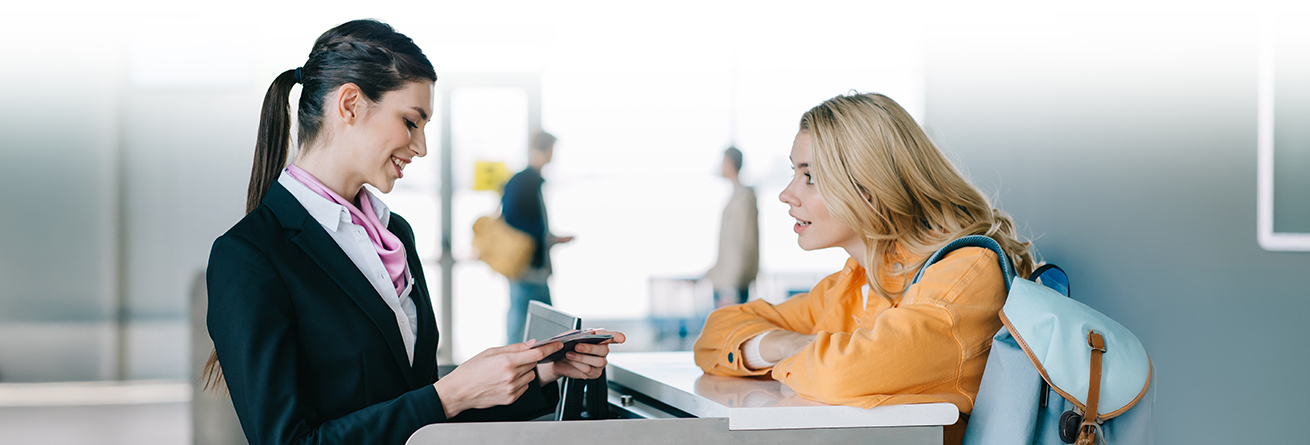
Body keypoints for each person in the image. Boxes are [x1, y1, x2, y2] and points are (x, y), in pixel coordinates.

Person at [204, 20, 623, 445]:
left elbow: (418, 406)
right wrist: (449, 394)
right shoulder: (249, 256)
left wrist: (545, 372)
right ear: (349, 104)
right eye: (410, 121)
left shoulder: (395, 234)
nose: (420, 147)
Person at [692, 92, 1035, 445]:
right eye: (794, 172)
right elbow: (715, 335)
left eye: (809, 177)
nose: (786, 194)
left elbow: (841, 373)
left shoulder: (967, 274)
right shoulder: (855, 282)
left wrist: (801, 351)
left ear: (869, 187)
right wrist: (784, 345)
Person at [501, 131, 574, 344]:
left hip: (532, 265)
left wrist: (549, 239)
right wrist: (542, 238)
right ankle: (513, 369)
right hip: (526, 265)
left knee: (535, 321)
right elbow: (513, 221)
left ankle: (527, 367)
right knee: (526, 321)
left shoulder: (532, 181)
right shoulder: (524, 182)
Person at [704, 146, 759, 307]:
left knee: (730, 329)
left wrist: (732, 286)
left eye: (723, 161)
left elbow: (743, 242)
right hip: (727, 281)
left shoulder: (744, 199)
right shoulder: (736, 197)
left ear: (730, 163)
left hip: (732, 284)